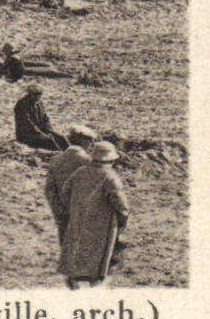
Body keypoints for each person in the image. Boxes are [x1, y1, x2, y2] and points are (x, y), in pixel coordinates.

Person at [56, 141, 130, 288]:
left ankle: (74, 277)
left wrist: (73, 209)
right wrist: (123, 218)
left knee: (77, 247)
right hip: (102, 222)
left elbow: (65, 194)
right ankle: (95, 280)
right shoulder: (110, 176)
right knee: (98, 251)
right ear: (111, 159)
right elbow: (121, 204)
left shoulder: (80, 172)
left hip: (78, 218)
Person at [44, 124, 98, 246]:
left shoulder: (56, 161)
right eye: (90, 141)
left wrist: (58, 211)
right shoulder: (88, 162)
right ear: (83, 142)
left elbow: (49, 190)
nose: (92, 145)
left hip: (63, 215)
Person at [14, 84, 67, 151]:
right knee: (49, 140)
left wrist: (50, 131)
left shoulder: (39, 103)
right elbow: (28, 123)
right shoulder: (22, 104)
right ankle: (59, 155)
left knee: (61, 138)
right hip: (27, 135)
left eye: (40, 94)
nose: (38, 96)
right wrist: (42, 134)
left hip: (39, 131)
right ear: (30, 94)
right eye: (35, 94)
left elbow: (45, 118)